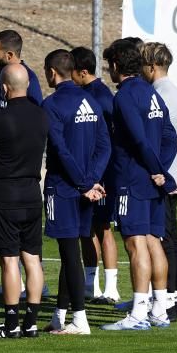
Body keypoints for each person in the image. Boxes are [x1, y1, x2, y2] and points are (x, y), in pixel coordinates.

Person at [100, 39, 177, 331]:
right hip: (152, 179)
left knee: (135, 244)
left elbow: (138, 140)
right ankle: (159, 310)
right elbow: (169, 137)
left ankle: (139, 313)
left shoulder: (125, 96)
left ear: (117, 65)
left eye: (110, 65)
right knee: (153, 242)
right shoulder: (152, 93)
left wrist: (157, 170)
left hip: (132, 179)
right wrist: (162, 172)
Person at [41, 51, 111, 336]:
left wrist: (83, 183)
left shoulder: (52, 104)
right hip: (86, 189)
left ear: (52, 72)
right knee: (70, 252)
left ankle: (80, 319)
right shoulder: (91, 100)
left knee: (69, 252)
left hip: (64, 188)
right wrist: (92, 180)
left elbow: (60, 149)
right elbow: (105, 145)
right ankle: (59, 316)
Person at [0, 64, 48, 339]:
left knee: (9, 261)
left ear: (4, 88)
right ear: (28, 85)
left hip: (6, 195)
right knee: (32, 259)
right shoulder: (42, 116)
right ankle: (30, 322)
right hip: (32, 193)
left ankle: (11, 324)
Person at [0, 29, 45, 298]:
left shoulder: (24, 78)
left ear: (9, 55)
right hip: (10, 168)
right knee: (15, 246)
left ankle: (21, 299)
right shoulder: (2, 75)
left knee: (17, 245)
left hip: (12, 171)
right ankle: (18, 287)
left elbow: (34, 118)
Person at [70, 46, 122, 304]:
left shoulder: (100, 97)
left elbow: (107, 139)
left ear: (82, 71)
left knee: (102, 226)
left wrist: (99, 174)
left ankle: (110, 287)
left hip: (101, 173)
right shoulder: (92, 94)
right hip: (94, 171)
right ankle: (92, 285)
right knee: (91, 227)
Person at [142, 42, 177, 320]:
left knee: (166, 238)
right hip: (175, 173)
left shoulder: (162, 95)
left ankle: (170, 301)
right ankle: (176, 299)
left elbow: (161, 139)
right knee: (172, 238)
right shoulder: (175, 91)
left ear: (152, 67)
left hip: (166, 176)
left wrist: (158, 173)